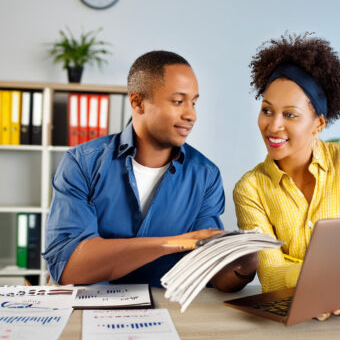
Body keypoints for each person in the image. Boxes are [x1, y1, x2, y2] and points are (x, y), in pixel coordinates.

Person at [44, 50, 257, 291]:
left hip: (171, 314)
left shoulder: (205, 175)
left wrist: (241, 268)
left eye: (194, 102)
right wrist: (174, 243)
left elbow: (210, 272)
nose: (191, 114)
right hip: (92, 310)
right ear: (137, 102)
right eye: (178, 101)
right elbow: (69, 267)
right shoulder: (82, 163)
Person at [233, 33, 340, 319]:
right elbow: (271, 275)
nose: (273, 125)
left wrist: (331, 286)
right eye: (267, 110)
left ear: (319, 124)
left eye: (290, 115)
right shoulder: (250, 188)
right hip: (286, 320)